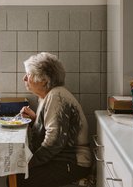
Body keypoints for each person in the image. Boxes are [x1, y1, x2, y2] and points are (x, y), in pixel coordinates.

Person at [17, 52, 92, 187]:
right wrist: (36, 120)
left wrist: (30, 162)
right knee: (17, 175)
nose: (24, 78)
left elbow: (54, 142)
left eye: (28, 74)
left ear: (44, 79)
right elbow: (57, 130)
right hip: (63, 160)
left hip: (73, 163)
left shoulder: (56, 96)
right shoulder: (49, 96)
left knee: (20, 179)